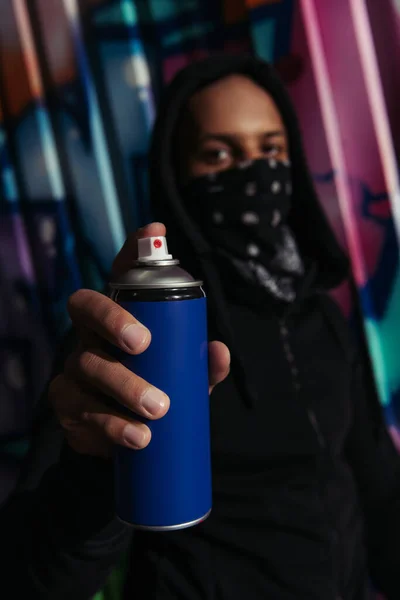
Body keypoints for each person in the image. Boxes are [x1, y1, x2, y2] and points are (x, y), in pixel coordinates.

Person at [2, 54, 400, 600]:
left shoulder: (321, 318)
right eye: (219, 154)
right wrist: (93, 471)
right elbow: (37, 578)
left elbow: (378, 489)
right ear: (177, 176)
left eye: (270, 150)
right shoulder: (132, 340)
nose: (254, 173)